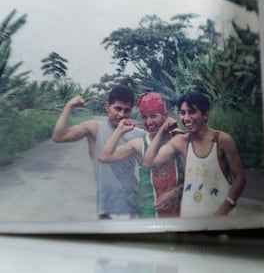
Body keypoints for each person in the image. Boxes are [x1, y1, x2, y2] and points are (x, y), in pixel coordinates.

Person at [143, 91, 246, 217]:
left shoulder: (222, 140)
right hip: (189, 216)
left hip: (219, 218)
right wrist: (162, 129)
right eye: (182, 113)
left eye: (191, 112)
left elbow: (240, 178)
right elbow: (148, 162)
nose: (186, 118)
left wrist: (225, 207)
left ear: (206, 114)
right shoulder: (180, 142)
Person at [52, 85, 145, 220]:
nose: (121, 115)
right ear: (107, 107)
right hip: (105, 203)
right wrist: (68, 107)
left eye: (127, 110)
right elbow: (58, 137)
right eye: (117, 108)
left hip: (132, 201)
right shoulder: (94, 128)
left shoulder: (136, 133)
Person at [99, 92, 184, 218]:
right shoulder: (139, 144)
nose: (148, 122)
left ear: (165, 115)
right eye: (144, 117)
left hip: (179, 210)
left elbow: (194, 178)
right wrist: (120, 130)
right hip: (148, 211)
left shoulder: (179, 139)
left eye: (153, 116)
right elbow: (104, 157)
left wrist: (174, 193)